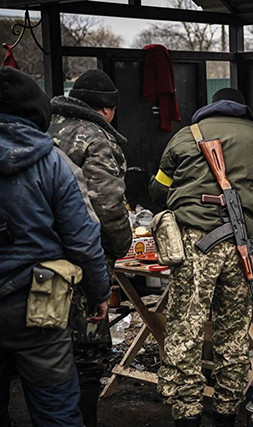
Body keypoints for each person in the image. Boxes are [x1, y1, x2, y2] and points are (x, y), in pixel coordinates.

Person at [149, 88, 253, 427]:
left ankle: (186, 414)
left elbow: (158, 188)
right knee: (233, 336)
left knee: (186, 333)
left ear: (209, 109)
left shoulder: (184, 137)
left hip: (192, 244)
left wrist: (183, 195)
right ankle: (226, 414)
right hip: (241, 246)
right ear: (242, 112)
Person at [0, 66, 111, 426]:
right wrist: (98, 292)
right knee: (56, 412)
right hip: (37, 305)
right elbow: (82, 237)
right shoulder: (51, 162)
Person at [47, 68, 132, 427]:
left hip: (37, 260)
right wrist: (122, 245)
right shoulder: (95, 138)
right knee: (87, 353)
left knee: (45, 351)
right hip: (81, 262)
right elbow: (107, 205)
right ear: (107, 109)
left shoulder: (45, 129)